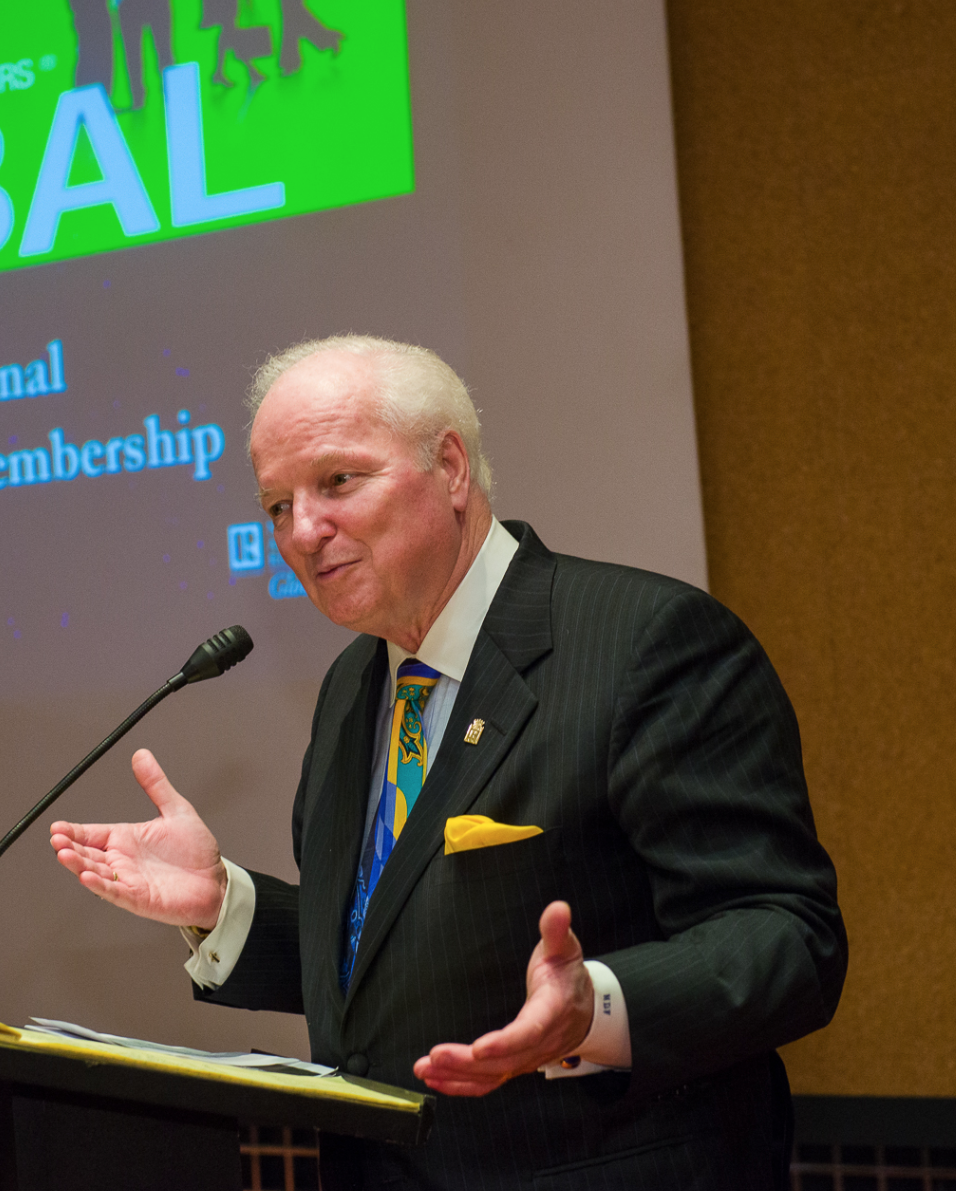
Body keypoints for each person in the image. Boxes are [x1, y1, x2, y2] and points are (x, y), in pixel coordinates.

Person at [50, 336, 847, 1190]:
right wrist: (224, 906)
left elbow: (787, 936)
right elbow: (396, 969)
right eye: (277, 505)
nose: (303, 531)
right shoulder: (358, 684)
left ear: (452, 467)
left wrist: (597, 1005)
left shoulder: (644, 644)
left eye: (337, 482)